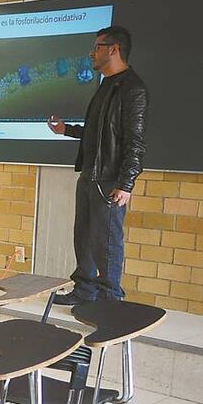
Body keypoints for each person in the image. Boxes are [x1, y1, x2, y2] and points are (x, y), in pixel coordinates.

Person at [48, 26, 148, 306]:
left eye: (97, 48)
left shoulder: (133, 89)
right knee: (84, 235)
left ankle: (109, 298)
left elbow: (135, 143)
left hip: (110, 180)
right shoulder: (106, 85)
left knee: (107, 241)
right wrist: (66, 130)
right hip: (90, 175)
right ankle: (84, 290)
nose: (92, 53)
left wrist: (126, 184)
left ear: (114, 49)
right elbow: (97, 132)